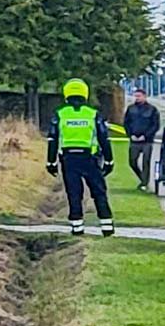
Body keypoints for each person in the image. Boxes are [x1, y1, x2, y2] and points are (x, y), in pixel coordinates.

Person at [47, 78, 116, 237]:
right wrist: (109, 160)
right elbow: (103, 138)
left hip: (69, 159)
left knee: (74, 193)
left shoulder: (60, 114)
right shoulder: (92, 114)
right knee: (99, 191)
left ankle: (77, 227)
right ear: (85, 93)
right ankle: (107, 226)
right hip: (90, 158)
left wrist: (51, 162)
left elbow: (52, 138)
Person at [122, 88, 160, 188]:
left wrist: (146, 135)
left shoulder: (152, 110)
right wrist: (130, 135)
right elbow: (126, 123)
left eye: (139, 96)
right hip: (134, 140)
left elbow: (155, 125)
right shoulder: (131, 109)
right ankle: (141, 178)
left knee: (146, 162)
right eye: (136, 96)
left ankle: (144, 183)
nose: (137, 98)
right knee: (132, 161)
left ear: (144, 96)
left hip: (147, 141)